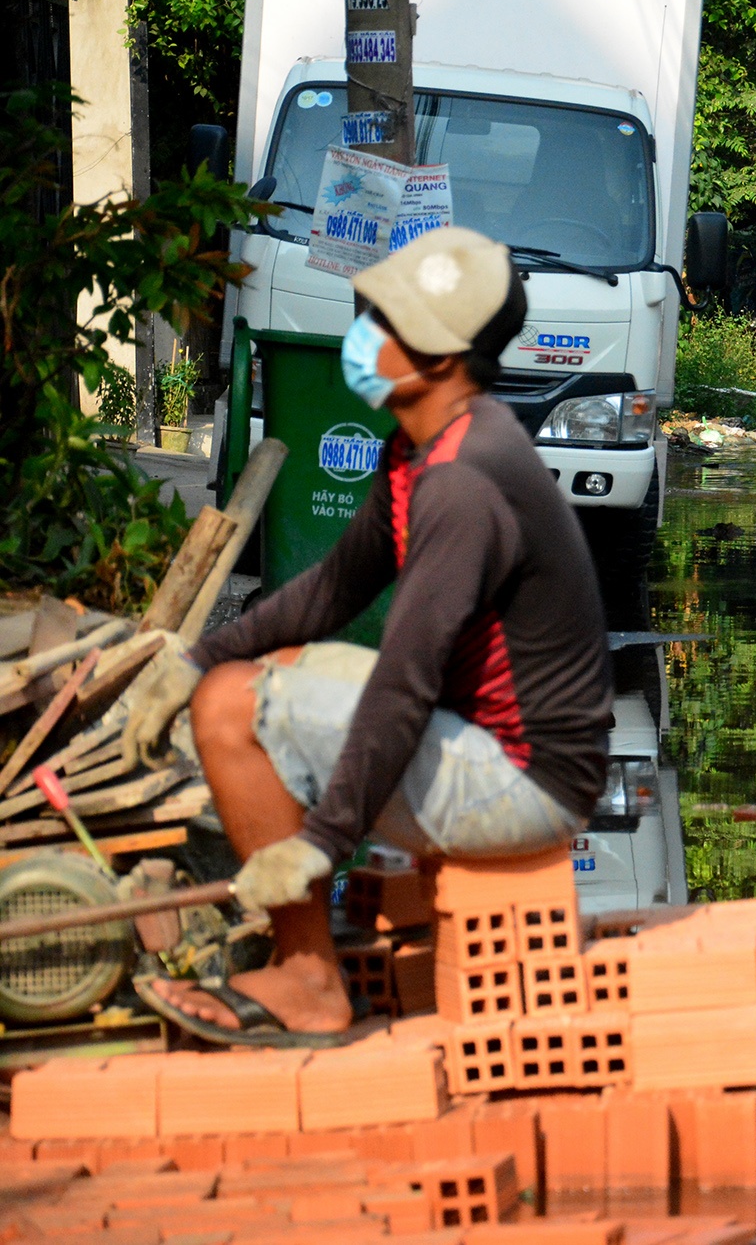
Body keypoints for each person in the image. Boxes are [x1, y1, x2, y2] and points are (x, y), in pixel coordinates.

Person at [127, 227, 613, 1046]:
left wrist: (319, 842)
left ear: (439, 355)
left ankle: (310, 979)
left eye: (382, 325)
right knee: (253, 672)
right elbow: (329, 592)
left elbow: (406, 678)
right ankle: (306, 956)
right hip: (498, 752)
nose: (363, 339)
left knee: (229, 710)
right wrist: (198, 653)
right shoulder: (428, 447)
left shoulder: (463, 483)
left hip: (526, 785)